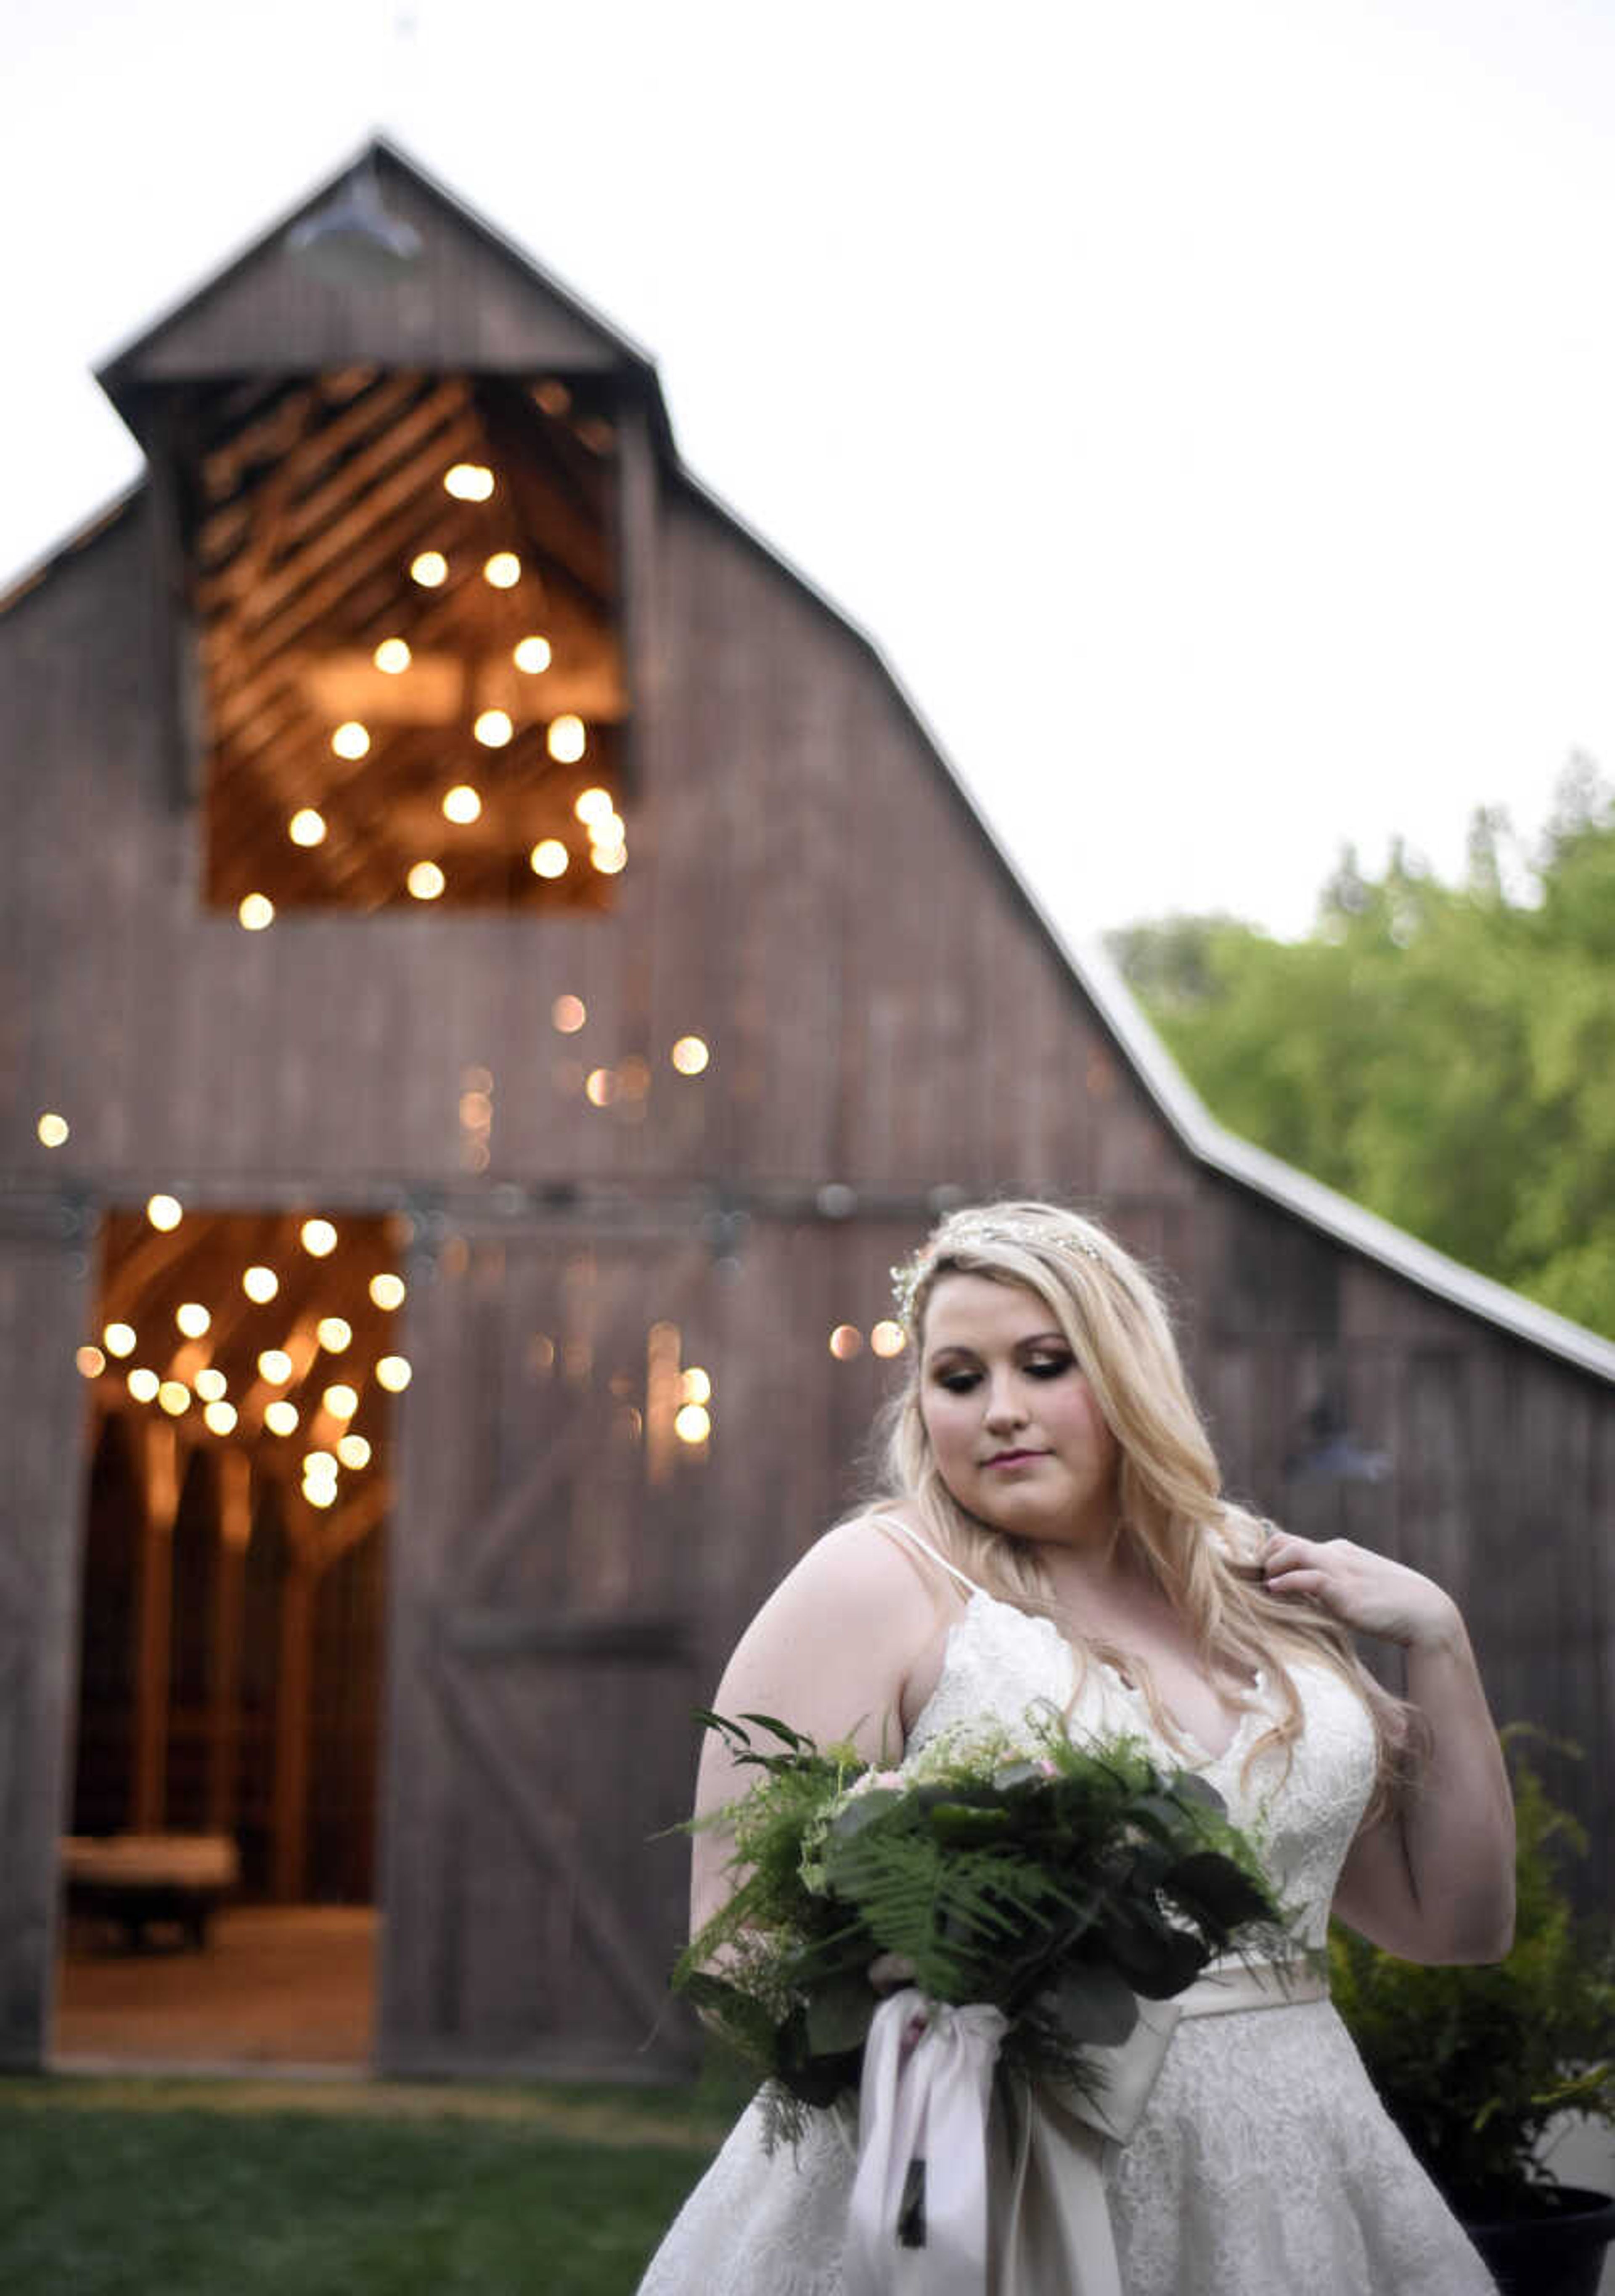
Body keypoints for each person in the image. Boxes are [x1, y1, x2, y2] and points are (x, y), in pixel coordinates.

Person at [638, 1201, 1514, 2296]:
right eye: (959, 1377)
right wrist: (951, 1966)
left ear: (1128, 1370)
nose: (1000, 1409)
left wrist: (1439, 1635)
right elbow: (734, 1948)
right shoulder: (878, 1577)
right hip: (1006, 2183)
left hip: (1293, 2174)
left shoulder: (1256, 1585)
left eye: (1044, 1364)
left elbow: (1459, 1926)